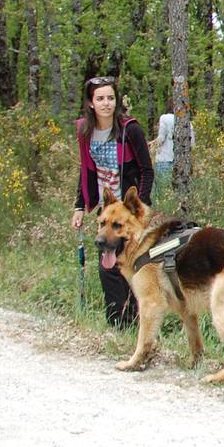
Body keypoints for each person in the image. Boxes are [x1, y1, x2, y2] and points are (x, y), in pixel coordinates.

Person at [71, 75, 154, 327]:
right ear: (91, 103)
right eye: (100, 98)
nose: (106, 103)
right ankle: (118, 323)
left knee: (132, 264)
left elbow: (147, 171)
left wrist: (138, 208)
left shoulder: (130, 130)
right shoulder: (85, 131)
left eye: (110, 98)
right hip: (106, 208)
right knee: (108, 265)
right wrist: (79, 206)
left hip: (129, 209)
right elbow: (87, 170)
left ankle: (136, 322)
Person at [149, 98, 194, 196]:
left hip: (164, 161)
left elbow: (161, 139)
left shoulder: (165, 118)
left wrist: (150, 144)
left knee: (162, 193)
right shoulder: (188, 123)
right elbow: (192, 145)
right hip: (182, 163)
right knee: (179, 194)